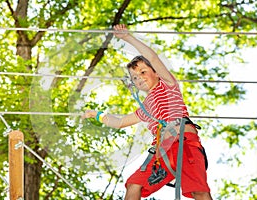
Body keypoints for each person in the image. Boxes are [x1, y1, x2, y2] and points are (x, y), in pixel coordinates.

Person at [82, 24, 212, 200]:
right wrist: (97, 115)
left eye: (143, 72)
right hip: (161, 152)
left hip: (184, 142)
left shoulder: (168, 85)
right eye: (134, 77)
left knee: (199, 191)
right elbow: (120, 122)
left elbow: (153, 57)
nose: (139, 77)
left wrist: (128, 38)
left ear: (156, 73)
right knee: (134, 184)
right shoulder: (145, 108)